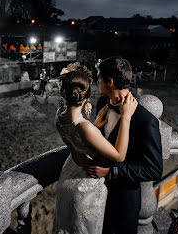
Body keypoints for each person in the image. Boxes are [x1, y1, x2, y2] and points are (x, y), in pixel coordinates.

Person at [53, 62, 138, 234]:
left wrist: (95, 125)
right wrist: (126, 117)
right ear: (86, 96)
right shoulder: (85, 128)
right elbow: (119, 156)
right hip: (86, 183)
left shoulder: (59, 116)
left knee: (66, 224)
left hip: (69, 173)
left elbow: (79, 141)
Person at [86, 56, 163, 234]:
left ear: (110, 82)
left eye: (99, 77)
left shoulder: (145, 120)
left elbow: (154, 169)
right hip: (97, 193)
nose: (97, 81)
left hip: (124, 200)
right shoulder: (103, 103)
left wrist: (112, 171)